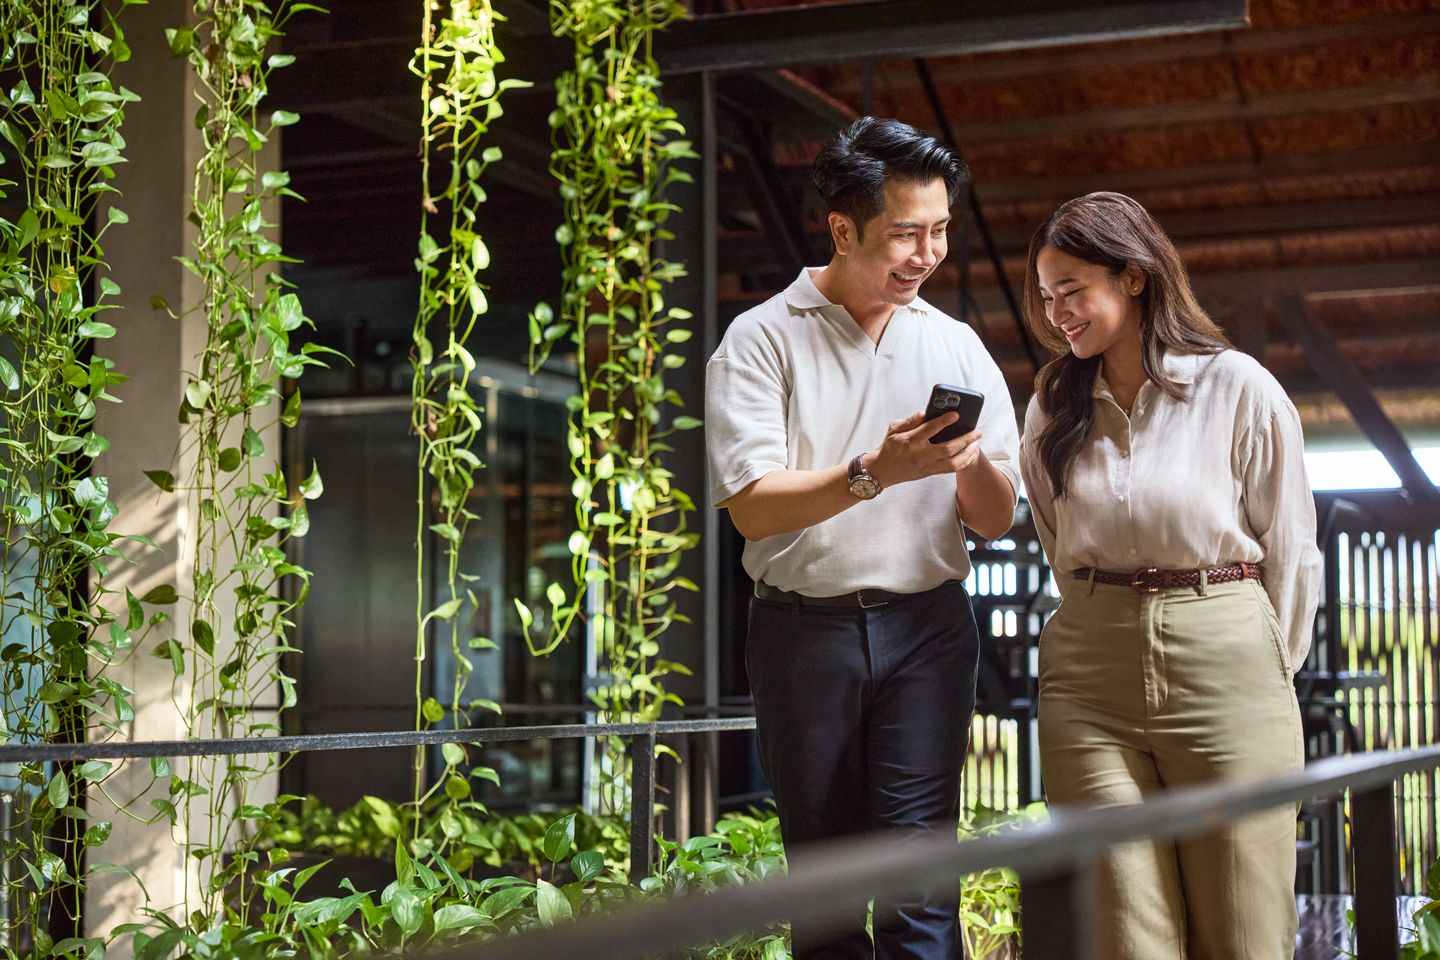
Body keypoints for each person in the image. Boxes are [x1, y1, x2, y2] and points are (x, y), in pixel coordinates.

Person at [704, 116, 1020, 959]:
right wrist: (875, 472)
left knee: (922, 881)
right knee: (827, 888)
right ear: (842, 230)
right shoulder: (760, 339)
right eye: (906, 234)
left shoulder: (954, 344)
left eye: (941, 230)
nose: (928, 253)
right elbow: (752, 508)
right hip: (803, 633)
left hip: (928, 628)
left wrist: (965, 461)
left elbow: (995, 519)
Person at [1018, 191, 1320, 959]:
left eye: (1071, 290)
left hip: (1226, 660)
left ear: (1133, 276)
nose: (1057, 313)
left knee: (1246, 932)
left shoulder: (1238, 386)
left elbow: (1290, 546)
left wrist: (1262, 667)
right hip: (1089, 677)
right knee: (1123, 931)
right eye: (1047, 297)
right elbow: (1057, 539)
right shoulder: (1053, 404)